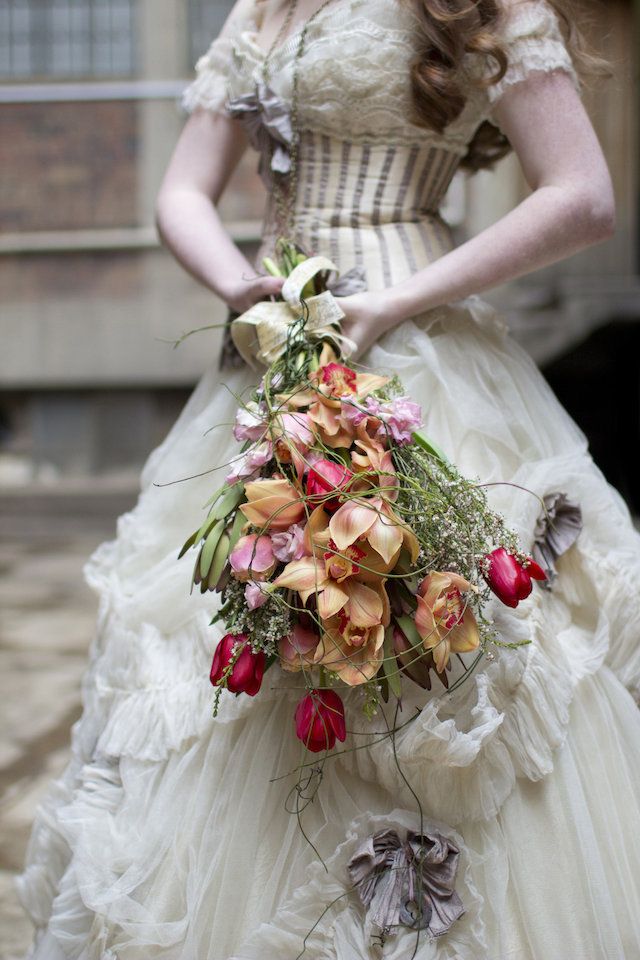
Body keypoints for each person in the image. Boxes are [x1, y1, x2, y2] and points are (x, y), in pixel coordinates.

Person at [16, 0, 640, 957]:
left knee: (424, 639)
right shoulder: (263, 6)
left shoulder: (477, 8)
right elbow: (182, 190)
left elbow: (583, 195)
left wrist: (397, 298)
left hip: (413, 350)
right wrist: (237, 285)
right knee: (231, 637)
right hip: (267, 361)